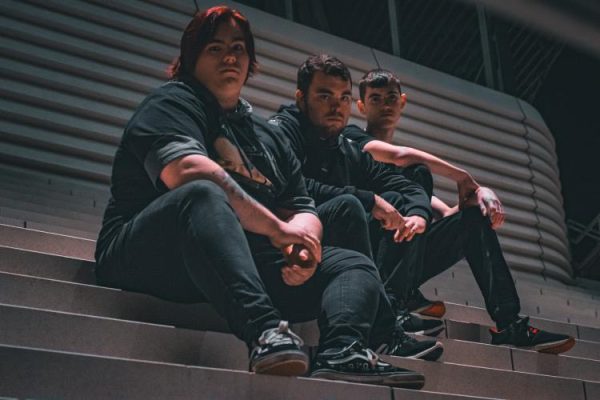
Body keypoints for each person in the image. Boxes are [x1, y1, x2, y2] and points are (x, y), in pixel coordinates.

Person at [94, 7, 428, 388]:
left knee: (350, 263)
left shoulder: (263, 135)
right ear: (191, 58)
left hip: (237, 265)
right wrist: (277, 230)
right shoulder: (173, 102)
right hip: (148, 253)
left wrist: (303, 242)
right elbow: (187, 172)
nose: (230, 57)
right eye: (215, 48)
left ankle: (343, 350)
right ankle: (267, 332)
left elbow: (301, 205)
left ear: (251, 60)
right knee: (201, 194)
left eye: (238, 48)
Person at [344, 68, 575, 353]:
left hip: (404, 256)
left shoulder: (408, 181)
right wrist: (463, 177)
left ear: (402, 102)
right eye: (376, 99)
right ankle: (392, 305)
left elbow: (450, 217)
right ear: (362, 106)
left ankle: (509, 324)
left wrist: (481, 195)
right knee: (417, 173)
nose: (385, 105)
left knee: (470, 218)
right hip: (367, 259)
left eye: (391, 97)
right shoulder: (352, 137)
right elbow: (400, 156)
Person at [269, 54, 448, 346]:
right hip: (282, 251)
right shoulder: (282, 130)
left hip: (329, 251)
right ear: (301, 99)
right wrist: (367, 199)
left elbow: (399, 183)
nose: (336, 105)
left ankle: (388, 315)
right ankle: (384, 331)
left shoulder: (344, 146)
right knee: (351, 206)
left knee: (393, 198)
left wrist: (418, 214)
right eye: (324, 95)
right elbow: (293, 187)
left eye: (343, 98)